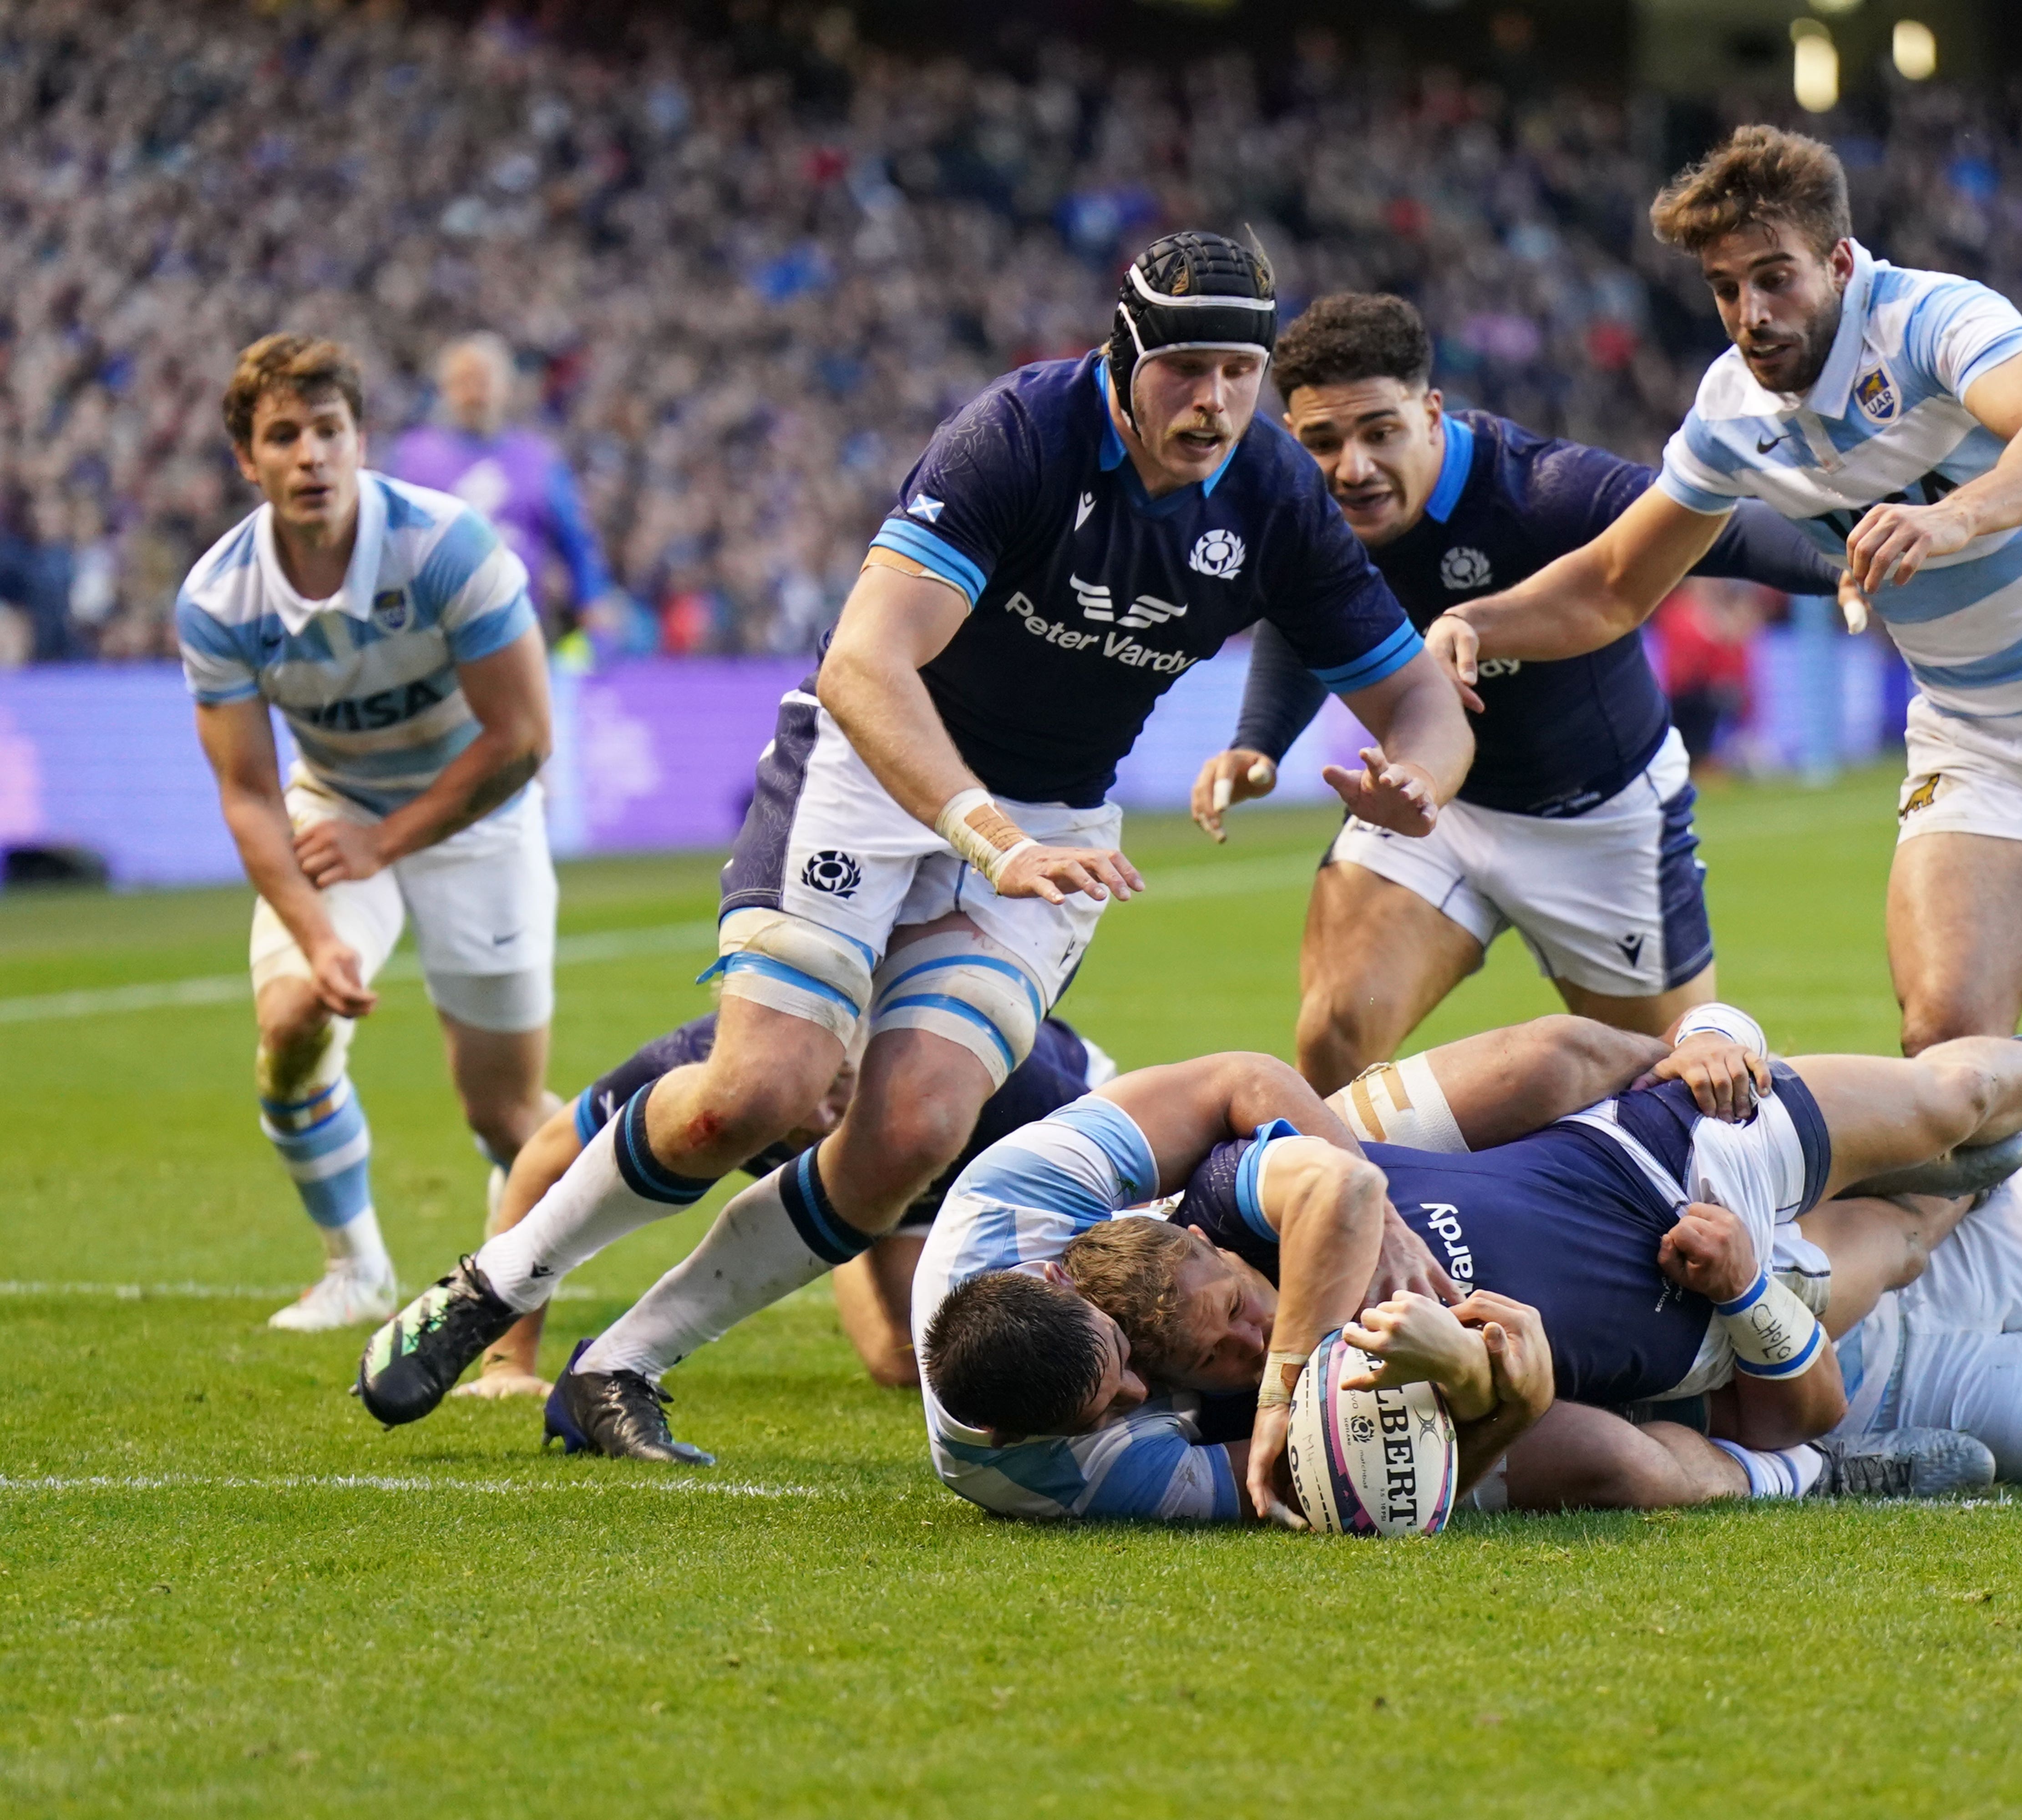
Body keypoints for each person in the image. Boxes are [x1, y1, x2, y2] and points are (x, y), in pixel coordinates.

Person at [356, 232, 1475, 1457]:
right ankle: (494, 1285)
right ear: (1125, 354)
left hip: (1052, 824)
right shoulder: (1021, 435)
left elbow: (1418, 700)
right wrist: (983, 835)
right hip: (877, 773)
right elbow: (864, 663)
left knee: (910, 1134)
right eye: (1186, 369)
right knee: (760, 1093)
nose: (1214, 401)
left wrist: (1424, 781)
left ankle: (622, 1365)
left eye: (1240, 373)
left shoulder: (1271, 499)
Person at [1428, 126, 2022, 1168]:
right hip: (1978, 733)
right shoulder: (1732, 413)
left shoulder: (1936, 319)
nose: (1752, 314)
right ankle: (2007, 1266)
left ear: (1838, 262)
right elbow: (1611, 585)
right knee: (1944, 1043)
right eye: (1726, 288)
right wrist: (1477, 622)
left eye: (1774, 278)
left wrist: (1957, 517)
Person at [914, 1006, 2022, 1521]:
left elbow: (1277, 1113)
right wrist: (1485, 1391)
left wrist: (1701, 1033)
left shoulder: (1131, 1199)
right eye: (1144, 1389)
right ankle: (1811, 1461)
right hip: (1686, 1315)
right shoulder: (1070, 1459)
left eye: (1221, 1320)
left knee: (1934, 1102)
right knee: (1901, 1236)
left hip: (1655, 1145)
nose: (1157, 1392)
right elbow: (1369, 1488)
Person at [1191, 294, 1839, 1089]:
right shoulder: (1303, 510)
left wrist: (1860, 560)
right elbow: (1301, 623)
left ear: (1431, 412)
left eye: (1379, 432)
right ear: (1294, 435)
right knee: (1335, 1034)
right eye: (1324, 442)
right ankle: (1365, 1206)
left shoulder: (1541, 488)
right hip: (1434, 810)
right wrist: (1258, 742)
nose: (1352, 468)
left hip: (1599, 821)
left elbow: (1720, 526)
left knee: (1668, 1089)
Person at [178, 334, 555, 1331]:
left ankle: (523, 1293)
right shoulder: (219, 599)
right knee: (293, 1015)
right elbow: (251, 792)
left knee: (504, 1111)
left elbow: (522, 738)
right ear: (246, 461)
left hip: (480, 818)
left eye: (329, 431)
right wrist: (317, 930)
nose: (310, 455)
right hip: (338, 804)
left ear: (361, 441)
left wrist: (386, 844)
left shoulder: (447, 545)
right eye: (283, 436)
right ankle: (356, 1268)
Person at [400, 1012, 1112, 1407]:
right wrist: (507, 1364)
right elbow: (546, 1160)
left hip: (1006, 1165)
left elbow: (1110, 1155)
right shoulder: (711, 1063)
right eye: (816, 1088)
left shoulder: (991, 1083)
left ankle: (839, 1220)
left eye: (848, 1085)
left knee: (986, 1350)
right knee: (903, 1361)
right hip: (886, 1189)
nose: (831, 1111)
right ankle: (839, 1221)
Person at [386, 334, 617, 639]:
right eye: (464, 381)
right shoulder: (413, 457)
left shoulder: (537, 461)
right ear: (445, 388)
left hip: (517, 627)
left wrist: (591, 599)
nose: (474, 393)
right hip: (434, 629)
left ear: (505, 387)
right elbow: (387, 541)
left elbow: (575, 538)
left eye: (484, 381)